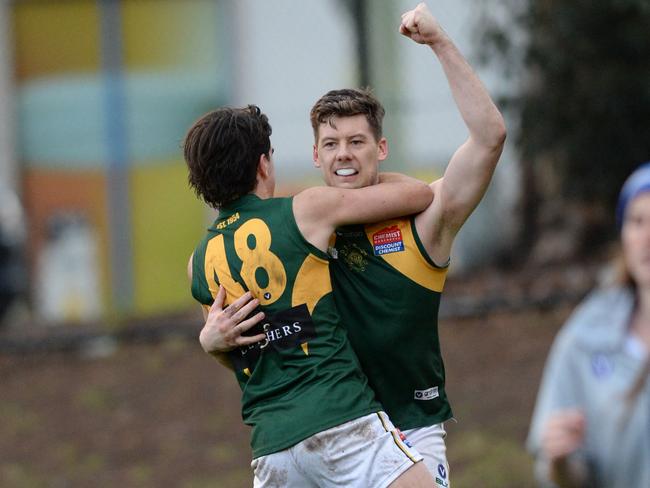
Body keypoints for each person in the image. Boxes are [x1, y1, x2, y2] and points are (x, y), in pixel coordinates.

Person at [202, 3, 507, 486]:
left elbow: (489, 138)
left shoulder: (422, 221)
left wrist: (440, 43)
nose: (343, 154)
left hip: (409, 428)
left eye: (357, 141)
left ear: (381, 149)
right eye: (331, 143)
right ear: (315, 156)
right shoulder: (291, 232)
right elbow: (269, 337)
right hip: (331, 431)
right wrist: (213, 342)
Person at [185, 104, 439, 487]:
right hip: (341, 422)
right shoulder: (305, 209)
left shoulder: (198, 263)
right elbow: (419, 195)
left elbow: (242, 352)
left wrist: (210, 343)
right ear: (263, 165)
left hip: (272, 452)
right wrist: (361, 167)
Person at [527, 162, 650, 488]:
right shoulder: (584, 339)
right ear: (624, 235)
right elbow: (566, 477)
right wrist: (560, 460)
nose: (648, 237)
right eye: (637, 221)